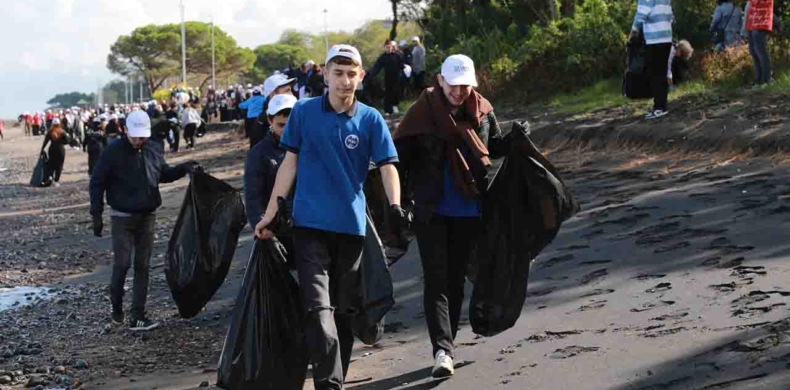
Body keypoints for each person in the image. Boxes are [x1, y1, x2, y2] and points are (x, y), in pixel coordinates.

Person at [254, 44, 409, 390]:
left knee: (343, 311)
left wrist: (395, 206)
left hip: (351, 229)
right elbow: (288, 165)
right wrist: (269, 215)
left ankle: (335, 375)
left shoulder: (370, 119)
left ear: (361, 76)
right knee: (317, 308)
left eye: (351, 73)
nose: (344, 81)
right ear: (324, 75)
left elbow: (387, 166)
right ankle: (329, 384)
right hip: (309, 227)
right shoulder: (304, 113)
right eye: (337, 73)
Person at [393, 54, 506, 378]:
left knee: (456, 280)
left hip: (470, 209)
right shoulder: (420, 115)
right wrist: (400, 203)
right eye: (453, 85)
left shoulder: (482, 110)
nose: (459, 92)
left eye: (465, 86)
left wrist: (515, 140)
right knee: (437, 280)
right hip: (432, 211)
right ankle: (442, 350)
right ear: (440, 81)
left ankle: (448, 344)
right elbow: (398, 162)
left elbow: (494, 147)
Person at [90, 111, 200, 331]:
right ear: (125, 130)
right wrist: (97, 214)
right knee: (122, 264)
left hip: (147, 215)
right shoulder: (112, 152)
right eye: (136, 136)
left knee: (143, 266)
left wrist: (184, 168)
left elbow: (163, 174)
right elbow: (97, 182)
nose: (140, 141)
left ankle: (137, 315)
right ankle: (116, 307)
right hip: (122, 217)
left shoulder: (153, 148)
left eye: (143, 136)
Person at [244, 94, 298, 260]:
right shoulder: (258, 154)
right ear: (269, 120)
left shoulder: (310, 146)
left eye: (291, 124)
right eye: (281, 125)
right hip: (277, 229)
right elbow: (253, 195)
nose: (286, 131)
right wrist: (261, 224)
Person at [630, 0, 674, 119]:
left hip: (654, 39)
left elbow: (641, 14)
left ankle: (658, 108)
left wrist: (633, 31)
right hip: (667, 37)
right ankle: (662, 106)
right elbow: (671, 16)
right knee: (661, 73)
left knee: (654, 74)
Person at [742, 0, 774, 86]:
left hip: (761, 19)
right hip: (752, 19)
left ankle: (766, 79)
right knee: (753, 51)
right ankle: (758, 79)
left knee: (761, 51)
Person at [369, 40, 406, 115]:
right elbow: (377, 66)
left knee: (396, 92)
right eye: (387, 47)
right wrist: (371, 74)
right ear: (384, 48)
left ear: (392, 47)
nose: (388, 48)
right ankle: (387, 110)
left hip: (397, 77)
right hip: (388, 77)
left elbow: (402, 65)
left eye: (389, 47)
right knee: (387, 93)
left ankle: (395, 107)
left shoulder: (397, 55)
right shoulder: (383, 57)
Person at [41, 119, 72, 187]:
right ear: (59, 123)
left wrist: (42, 150)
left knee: (51, 165)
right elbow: (67, 141)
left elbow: (45, 142)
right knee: (59, 166)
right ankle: (56, 181)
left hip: (52, 150)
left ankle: (50, 177)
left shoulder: (50, 132)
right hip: (60, 150)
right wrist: (62, 141)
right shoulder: (62, 131)